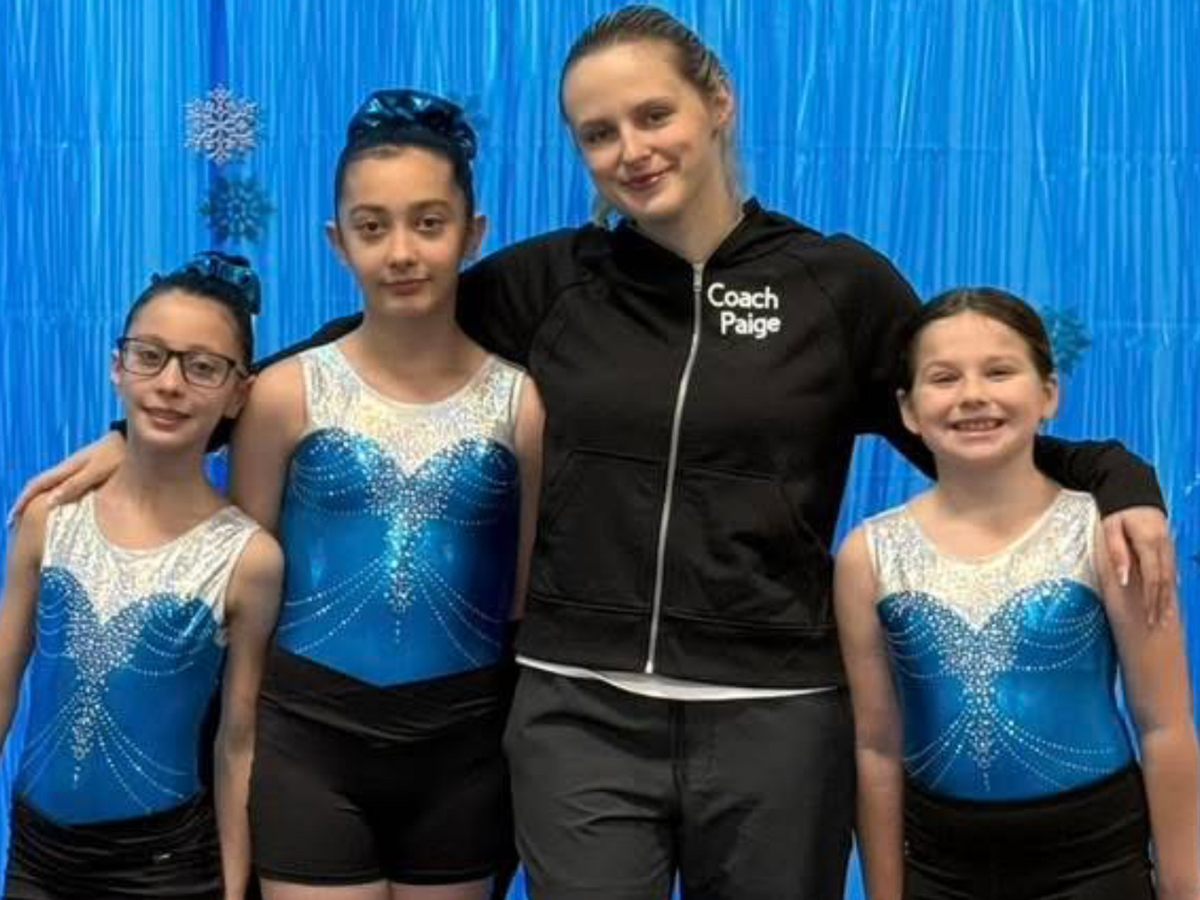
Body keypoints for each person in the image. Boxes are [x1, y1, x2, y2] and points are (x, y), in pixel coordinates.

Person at [9, 7, 1178, 900]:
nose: (632, 148)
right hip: (579, 716)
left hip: (775, 716)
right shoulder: (552, 282)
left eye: (652, 115)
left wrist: (1117, 479)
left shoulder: (838, 285)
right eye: (599, 132)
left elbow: (968, 423)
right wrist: (145, 439)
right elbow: (363, 345)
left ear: (715, 103)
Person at [229, 90, 542, 900]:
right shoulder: (285, 396)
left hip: (463, 747)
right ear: (338, 242)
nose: (401, 252)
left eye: (428, 223)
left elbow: (519, 597)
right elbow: (244, 593)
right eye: (372, 227)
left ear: (473, 234)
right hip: (307, 739)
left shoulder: (520, 404)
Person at [834, 287, 1199, 900]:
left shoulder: (1107, 534)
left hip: (1096, 863)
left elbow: (1164, 726)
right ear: (908, 409)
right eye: (943, 378)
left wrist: (1184, 888)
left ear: (1048, 393)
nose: (972, 394)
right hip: (941, 867)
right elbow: (876, 746)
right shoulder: (867, 556)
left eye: (999, 371)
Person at [0, 252, 283, 900]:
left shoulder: (248, 559)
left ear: (238, 393)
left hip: (165, 866)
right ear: (117, 366)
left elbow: (237, 743)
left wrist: (235, 889)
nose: (170, 384)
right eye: (149, 356)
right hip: (36, 857)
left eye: (202, 366)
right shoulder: (49, 518)